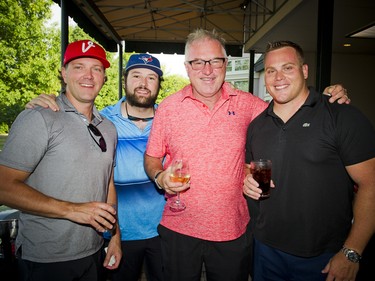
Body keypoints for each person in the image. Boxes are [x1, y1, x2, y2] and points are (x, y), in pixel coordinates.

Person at [143, 29, 350, 281]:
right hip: (179, 227)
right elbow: (152, 157)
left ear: (225, 64)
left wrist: (326, 98)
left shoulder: (249, 105)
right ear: (187, 67)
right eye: (198, 62)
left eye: (215, 61)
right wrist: (159, 176)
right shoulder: (168, 107)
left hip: (233, 230)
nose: (207, 70)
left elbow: (290, 103)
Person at [25, 54, 166, 281]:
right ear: (124, 80)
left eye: (151, 78)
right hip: (118, 232)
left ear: (159, 84)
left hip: (162, 229)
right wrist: (40, 105)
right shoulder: (104, 120)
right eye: (136, 75)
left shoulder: (169, 119)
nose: (143, 83)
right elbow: (69, 116)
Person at [243, 40, 375, 281]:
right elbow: (247, 169)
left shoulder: (340, 115)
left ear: (304, 71)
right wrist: (246, 180)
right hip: (265, 250)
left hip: (323, 257)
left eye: (288, 68)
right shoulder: (256, 125)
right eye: (271, 71)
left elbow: (372, 184)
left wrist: (351, 252)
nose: (278, 77)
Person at [0, 39, 122, 281]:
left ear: (104, 77)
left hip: (93, 251)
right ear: (64, 74)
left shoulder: (108, 127)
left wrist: (116, 238)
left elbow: (107, 183)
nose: (88, 75)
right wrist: (73, 211)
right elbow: (3, 187)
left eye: (96, 68)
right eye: (78, 67)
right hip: (46, 258)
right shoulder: (39, 118)